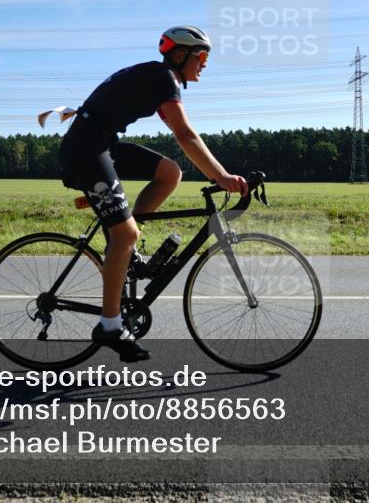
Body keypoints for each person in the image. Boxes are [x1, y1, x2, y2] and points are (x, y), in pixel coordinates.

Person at [59, 26, 248, 362]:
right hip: (86, 148)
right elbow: (185, 135)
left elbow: (181, 137)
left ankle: (128, 249)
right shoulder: (165, 78)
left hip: (101, 141)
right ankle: (110, 325)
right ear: (181, 55)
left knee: (169, 172)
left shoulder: (160, 76)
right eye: (202, 56)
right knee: (124, 233)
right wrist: (221, 176)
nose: (205, 64)